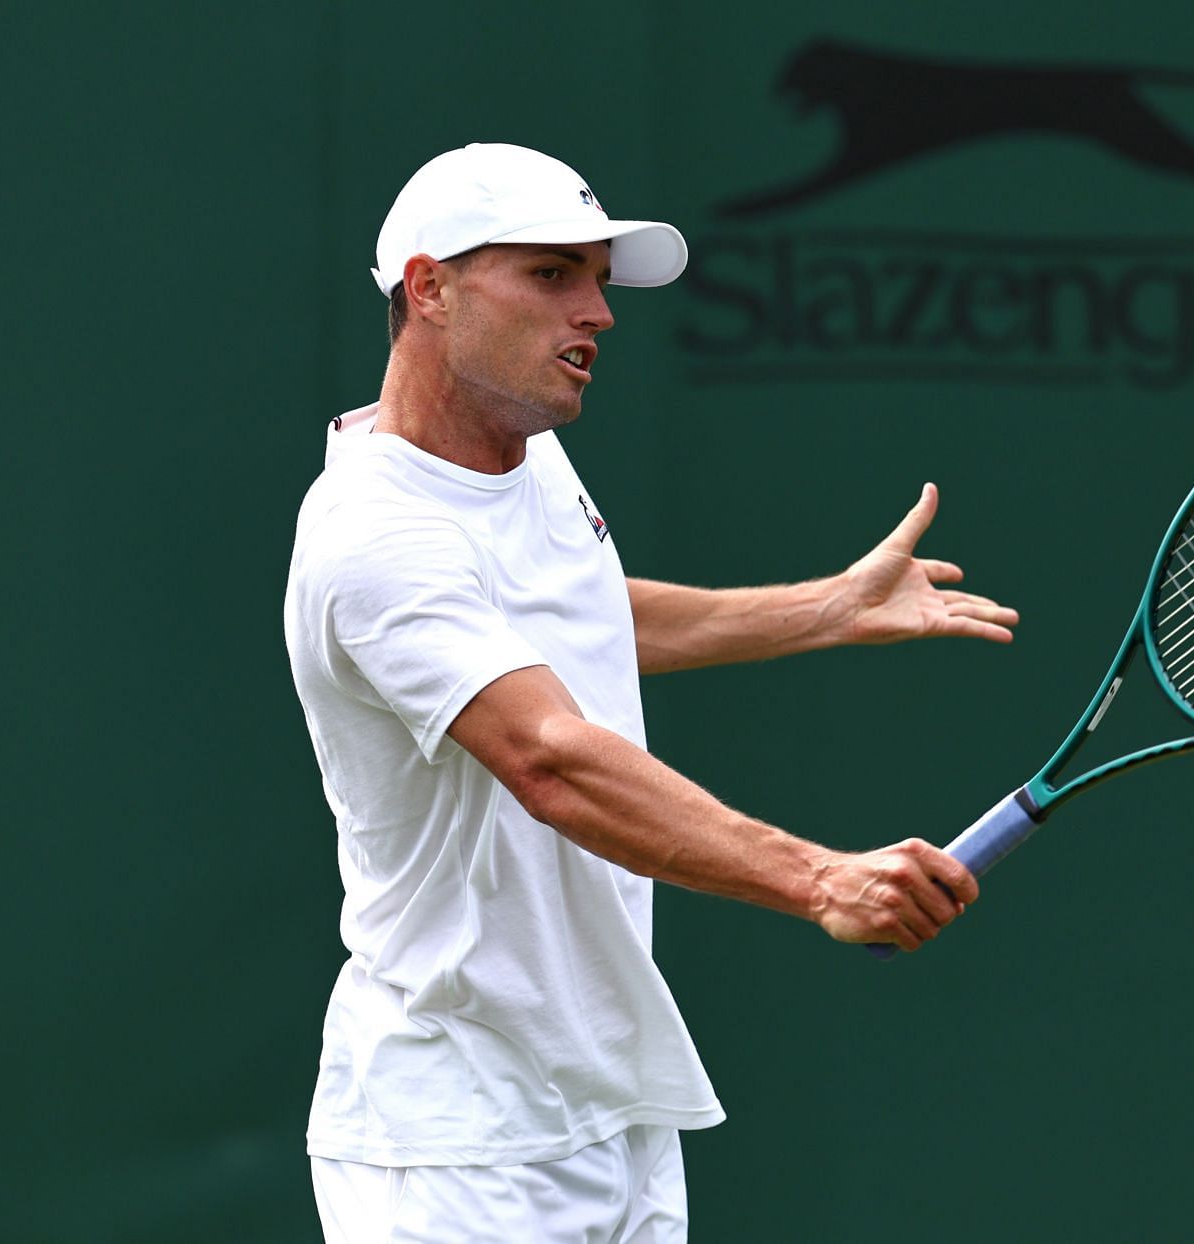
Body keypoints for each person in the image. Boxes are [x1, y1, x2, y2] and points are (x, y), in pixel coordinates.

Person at [283, 142, 1019, 1243]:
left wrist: (825, 607)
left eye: (598, 277)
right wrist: (820, 877)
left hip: (612, 1120)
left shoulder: (522, 454)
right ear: (429, 288)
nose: (599, 312)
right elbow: (549, 756)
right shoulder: (376, 538)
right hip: (457, 1148)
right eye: (551, 275)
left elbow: (572, 612)